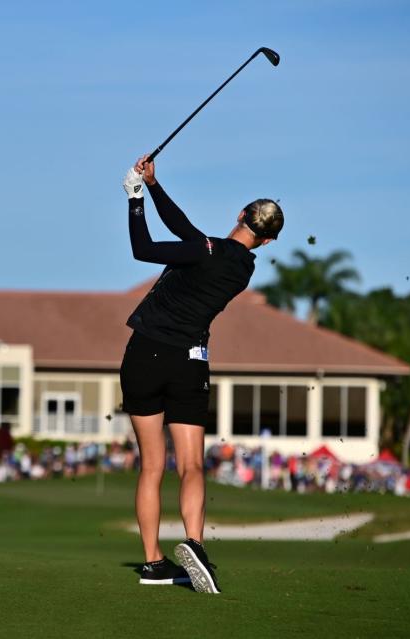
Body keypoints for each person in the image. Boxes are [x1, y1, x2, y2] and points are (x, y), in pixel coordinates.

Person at [119, 155, 283, 592]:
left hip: (145, 354)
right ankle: (194, 541)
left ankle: (153, 563)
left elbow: (145, 249)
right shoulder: (242, 268)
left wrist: (134, 198)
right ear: (266, 242)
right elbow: (186, 232)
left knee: (152, 465)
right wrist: (154, 186)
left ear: (239, 215)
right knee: (192, 464)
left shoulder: (207, 249)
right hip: (189, 362)